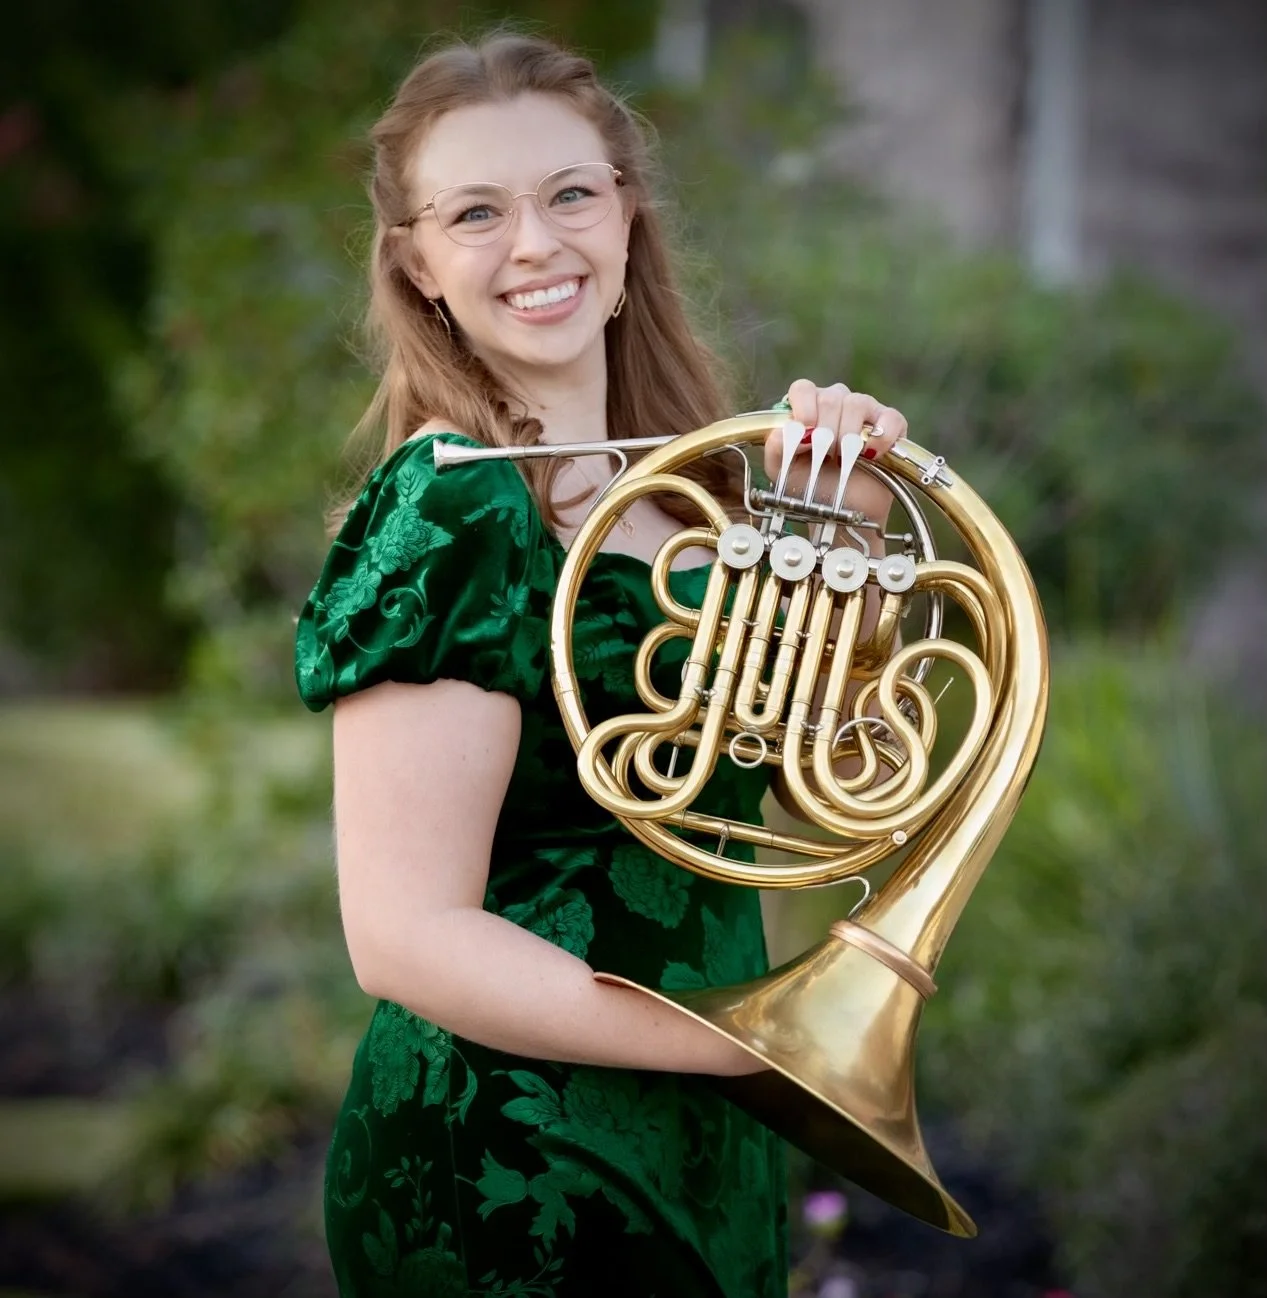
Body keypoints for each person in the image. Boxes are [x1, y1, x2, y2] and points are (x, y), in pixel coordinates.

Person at [294, 31, 908, 1298]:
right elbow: (404, 934)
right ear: (417, 264)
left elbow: (803, 800)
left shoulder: (699, 502)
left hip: (709, 1142)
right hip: (513, 1164)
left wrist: (848, 534)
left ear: (627, 214)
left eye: (571, 193)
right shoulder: (451, 512)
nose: (535, 243)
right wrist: (741, 1048)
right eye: (477, 212)